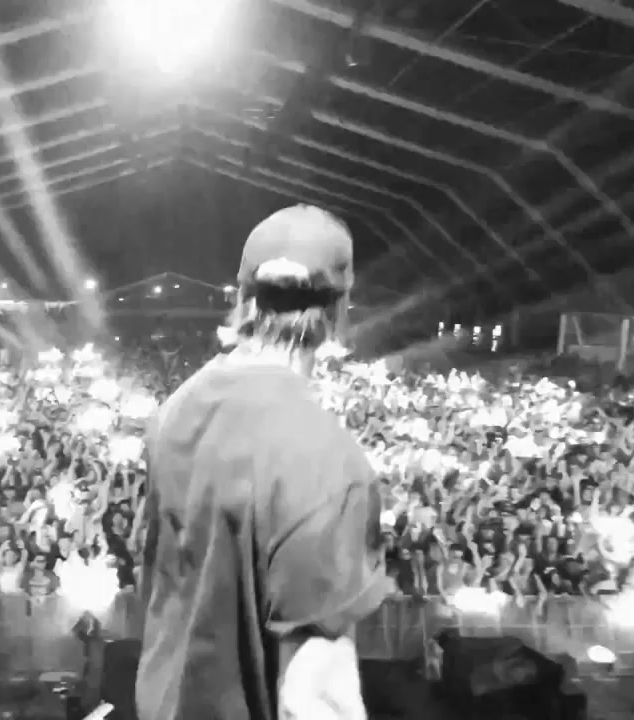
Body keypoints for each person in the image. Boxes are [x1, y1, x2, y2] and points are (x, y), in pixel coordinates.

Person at [135, 205, 389, 720]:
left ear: (242, 297)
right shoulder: (325, 457)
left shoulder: (175, 409)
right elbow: (312, 700)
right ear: (341, 309)